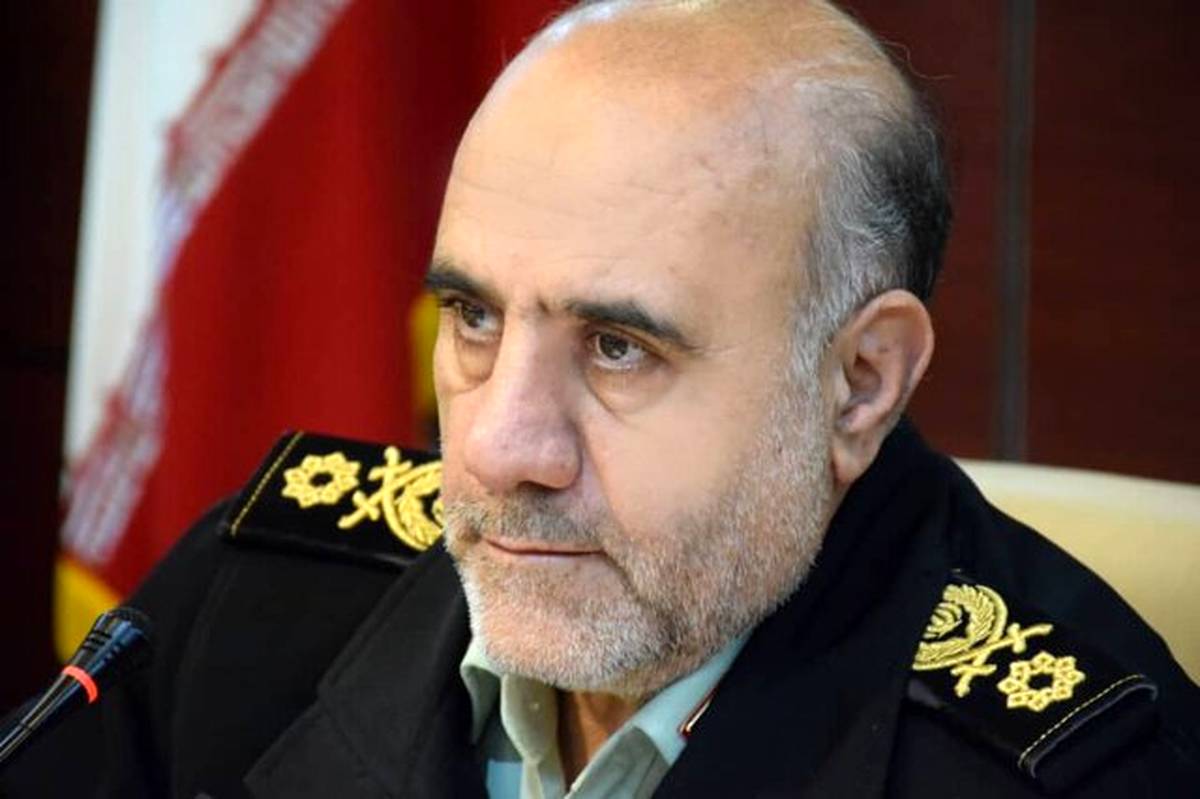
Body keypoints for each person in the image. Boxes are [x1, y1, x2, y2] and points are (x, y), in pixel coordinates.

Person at [4, 0, 1198, 796]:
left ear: (858, 383)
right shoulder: (260, 591)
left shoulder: (1087, 769)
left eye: (620, 347)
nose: (498, 446)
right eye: (474, 317)